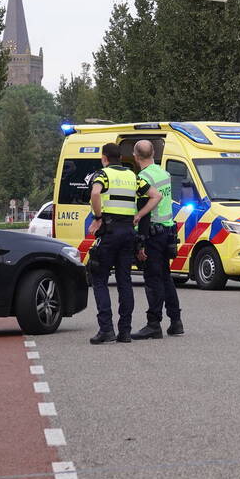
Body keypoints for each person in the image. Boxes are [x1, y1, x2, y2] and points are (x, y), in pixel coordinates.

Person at [87, 142, 161, 344]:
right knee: (124, 281)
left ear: (104, 158)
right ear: (121, 158)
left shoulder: (103, 174)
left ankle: (106, 329)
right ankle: (125, 331)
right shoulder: (132, 176)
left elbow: (95, 193)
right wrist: (139, 215)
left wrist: (98, 216)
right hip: (128, 232)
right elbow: (156, 195)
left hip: (110, 231)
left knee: (100, 278)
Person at [130, 140, 184, 340]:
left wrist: (140, 239)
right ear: (153, 153)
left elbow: (146, 211)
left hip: (152, 233)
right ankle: (176, 321)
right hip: (167, 231)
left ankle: (154, 324)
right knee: (165, 277)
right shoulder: (164, 173)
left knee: (153, 280)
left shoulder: (143, 177)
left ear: (136, 156)